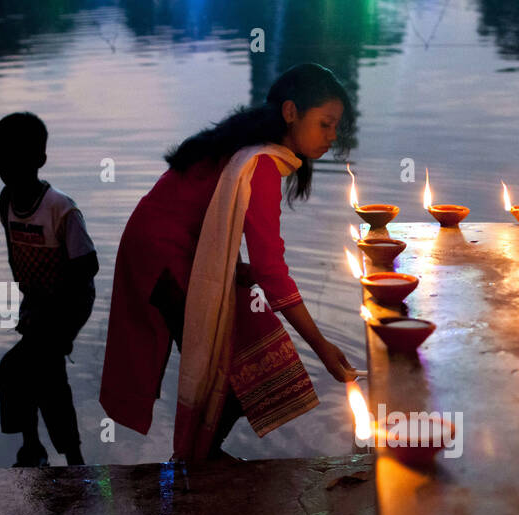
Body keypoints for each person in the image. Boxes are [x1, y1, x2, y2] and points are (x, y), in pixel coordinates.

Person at [100, 62, 359, 463]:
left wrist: (236, 270)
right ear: (291, 112)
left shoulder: (253, 149)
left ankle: (197, 461)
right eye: (325, 124)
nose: (332, 136)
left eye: (335, 126)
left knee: (251, 359)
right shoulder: (261, 163)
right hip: (161, 255)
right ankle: (191, 467)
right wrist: (322, 347)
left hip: (178, 249)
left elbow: (222, 224)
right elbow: (272, 270)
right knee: (233, 374)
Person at [0, 111, 98, 467]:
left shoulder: (61, 208)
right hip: (36, 300)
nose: (8, 166)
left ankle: (66, 455)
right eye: (1, 158)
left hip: (70, 301)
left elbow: (87, 267)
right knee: (34, 371)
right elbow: (12, 251)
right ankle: (40, 447)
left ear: (40, 160)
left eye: (18, 158)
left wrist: (54, 314)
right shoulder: (6, 199)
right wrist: (30, 301)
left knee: (31, 370)